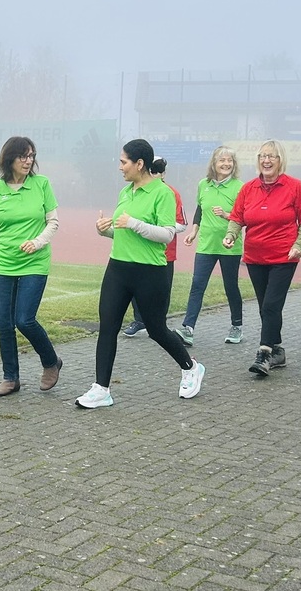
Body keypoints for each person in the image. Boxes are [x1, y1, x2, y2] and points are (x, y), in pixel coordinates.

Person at [76, 139, 205, 408]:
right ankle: (101, 389)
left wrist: (133, 223)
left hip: (150, 272)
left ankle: (191, 367)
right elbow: (122, 232)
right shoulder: (126, 193)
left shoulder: (163, 193)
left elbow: (166, 234)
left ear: (140, 164)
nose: (120, 167)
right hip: (118, 269)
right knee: (108, 327)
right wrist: (105, 231)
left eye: (123, 162)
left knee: (157, 330)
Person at [0, 136, 62, 397]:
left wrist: (37, 243)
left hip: (35, 262)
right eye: (23, 156)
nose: (28, 161)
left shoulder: (42, 184)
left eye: (32, 156)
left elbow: (53, 222)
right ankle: (10, 378)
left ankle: (51, 362)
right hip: (4, 263)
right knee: (4, 323)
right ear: (9, 159)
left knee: (24, 319)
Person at [223, 139, 301, 377]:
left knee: (272, 304)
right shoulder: (248, 188)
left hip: (284, 256)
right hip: (255, 257)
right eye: (263, 156)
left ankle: (264, 354)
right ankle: (278, 350)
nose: (266, 160)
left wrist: (299, 245)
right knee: (266, 307)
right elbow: (237, 217)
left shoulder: (294, 186)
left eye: (272, 156)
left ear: (280, 160)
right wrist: (231, 235)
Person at [175, 146, 245, 346]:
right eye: (222, 161)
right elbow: (200, 209)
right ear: (214, 164)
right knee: (197, 285)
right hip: (205, 245)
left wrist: (226, 215)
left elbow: (244, 217)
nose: (226, 164)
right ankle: (188, 329)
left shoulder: (240, 187)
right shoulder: (202, 185)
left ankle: (236, 326)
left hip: (229, 246)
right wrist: (194, 231)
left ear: (234, 164)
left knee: (230, 286)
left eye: (229, 161)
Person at [122, 157, 187, 337]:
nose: (156, 174)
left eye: (159, 170)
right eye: (153, 169)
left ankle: (159, 325)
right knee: (135, 289)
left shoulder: (171, 193)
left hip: (165, 254)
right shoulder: (134, 191)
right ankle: (139, 321)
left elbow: (181, 224)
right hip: (138, 251)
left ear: (164, 173)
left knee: (161, 292)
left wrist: (160, 226)